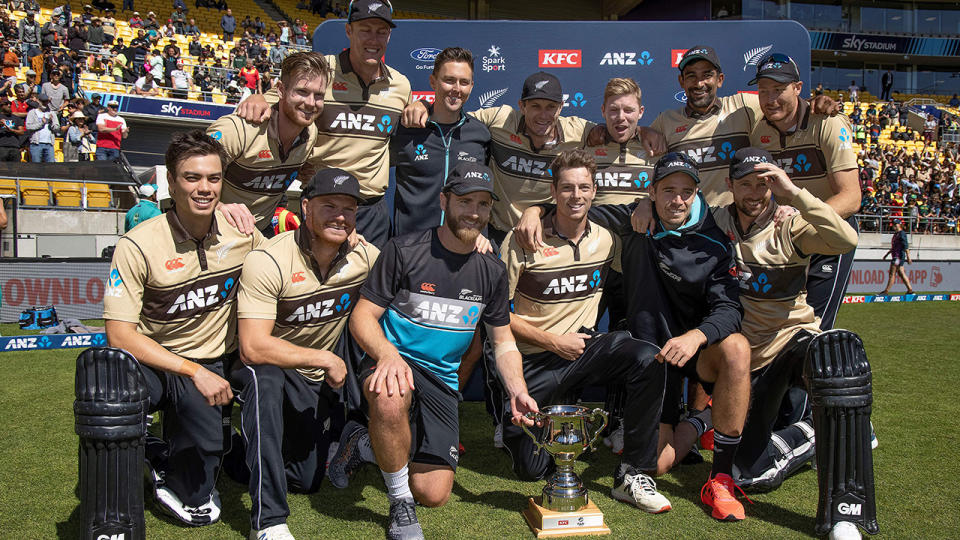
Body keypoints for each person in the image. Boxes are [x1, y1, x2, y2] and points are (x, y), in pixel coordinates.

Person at [515, 153, 752, 522]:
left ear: (695, 195)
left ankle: (721, 476)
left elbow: (730, 310)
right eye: (668, 190)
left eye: (686, 192)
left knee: (737, 347)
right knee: (656, 464)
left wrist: (696, 336)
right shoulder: (632, 220)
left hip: (695, 350)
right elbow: (574, 204)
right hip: (655, 356)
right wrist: (534, 210)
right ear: (652, 191)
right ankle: (699, 421)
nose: (677, 200)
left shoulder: (716, 242)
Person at [340, 162, 539, 540]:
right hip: (395, 364)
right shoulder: (404, 249)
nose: (474, 212)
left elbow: (504, 342)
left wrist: (517, 390)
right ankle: (399, 504)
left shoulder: (492, 271)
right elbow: (362, 319)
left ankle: (367, 443)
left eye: (483, 204)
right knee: (389, 393)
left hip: (442, 381)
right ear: (444, 200)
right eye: (465, 201)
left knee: (433, 494)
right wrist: (387, 354)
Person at [103, 130, 263, 527]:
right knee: (110, 384)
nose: (204, 188)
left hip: (216, 359)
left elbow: (286, 262)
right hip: (159, 363)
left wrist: (346, 237)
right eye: (192, 178)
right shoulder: (137, 245)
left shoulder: (241, 231)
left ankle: (163, 451)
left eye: (213, 178)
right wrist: (194, 372)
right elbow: (119, 335)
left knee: (196, 491)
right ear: (171, 183)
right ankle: (130, 465)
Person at [499, 149, 670, 513]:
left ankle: (633, 473)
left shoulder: (609, 240)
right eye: (567, 188)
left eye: (584, 188)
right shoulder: (523, 239)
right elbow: (495, 314)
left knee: (646, 358)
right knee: (531, 469)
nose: (576, 196)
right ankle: (542, 417)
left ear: (595, 191)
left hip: (583, 352)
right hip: (535, 360)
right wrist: (552, 341)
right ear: (553, 191)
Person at [710, 149, 863, 540]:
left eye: (764, 184)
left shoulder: (790, 224)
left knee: (836, 360)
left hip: (791, 341)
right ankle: (813, 429)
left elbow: (845, 240)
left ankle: (844, 512)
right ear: (730, 186)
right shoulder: (716, 220)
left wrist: (795, 195)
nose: (756, 192)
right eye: (745, 183)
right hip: (745, 363)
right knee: (750, 472)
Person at [232, 169, 378, 540]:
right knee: (263, 374)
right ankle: (267, 522)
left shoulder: (364, 256)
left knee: (306, 480)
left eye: (349, 209)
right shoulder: (269, 259)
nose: (340, 216)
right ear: (306, 207)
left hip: (314, 381)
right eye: (329, 206)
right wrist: (325, 359)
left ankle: (224, 446)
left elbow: (410, 268)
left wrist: (474, 244)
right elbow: (252, 346)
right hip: (272, 369)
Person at [235, 0, 412, 248]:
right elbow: (280, 99)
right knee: (316, 282)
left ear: (389, 35)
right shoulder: (322, 69)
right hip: (323, 203)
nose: (374, 39)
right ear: (349, 31)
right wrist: (256, 98)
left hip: (372, 211)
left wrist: (420, 106)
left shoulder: (401, 85)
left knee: (369, 286)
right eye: (365, 30)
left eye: (381, 31)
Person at [746, 53, 860, 331]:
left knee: (816, 327)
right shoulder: (757, 128)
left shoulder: (828, 122)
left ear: (798, 88)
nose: (770, 98)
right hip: (784, 236)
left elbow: (852, 197)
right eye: (763, 90)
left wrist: (800, 214)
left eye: (779, 89)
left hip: (827, 230)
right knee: (777, 323)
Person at [206, 52, 326, 235]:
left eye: (318, 95)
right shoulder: (238, 130)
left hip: (259, 234)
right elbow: (184, 176)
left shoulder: (310, 134)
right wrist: (220, 207)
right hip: (212, 233)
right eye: (302, 91)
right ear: (281, 90)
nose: (311, 103)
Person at [389, 47, 489, 237]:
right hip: (410, 248)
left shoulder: (480, 134)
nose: (456, 89)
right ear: (433, 82)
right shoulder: (406, 128)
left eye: (464, 82)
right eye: (449, 80)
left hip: (460, 247)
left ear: (472, 86)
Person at [879, 220, 913, 295]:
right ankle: (910, 290)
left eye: (895, 224)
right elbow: (894, 247)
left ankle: (886, 291)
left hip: (898, 257)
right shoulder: (896, 234)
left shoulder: (902, 234)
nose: (893, 226)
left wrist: (908, 257)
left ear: (899, 225)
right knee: (901, 273)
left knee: (892, 273)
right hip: (896, 255)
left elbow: (905, 246)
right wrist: (887, 254)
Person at [26, 94, 59, 162]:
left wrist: (51, 122)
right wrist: (41, 123)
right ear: (38, 101)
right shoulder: (32, 112)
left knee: (51, 167)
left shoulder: (52, 113)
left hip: (49, 144)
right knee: (36, 166)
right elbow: (28, 126)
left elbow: (57, 128)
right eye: (43, 101)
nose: (45, 103)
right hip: (36, 144)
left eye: (46, 101)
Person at [0, 97, 25, 162]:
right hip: (1, 147)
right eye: (6, 104)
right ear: (1, 106)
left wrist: (12, 130)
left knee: (16, 169)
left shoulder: (16, 118)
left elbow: (22, 132)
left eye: (10, 104)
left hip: (15, 147)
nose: (9, 105)